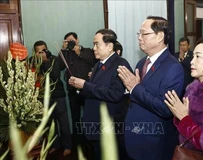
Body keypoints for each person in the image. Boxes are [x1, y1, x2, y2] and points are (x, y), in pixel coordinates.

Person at [117, 16, 184, 160]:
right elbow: (137, 97)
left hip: (154, 142)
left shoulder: (173, 67)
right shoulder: (141, 63)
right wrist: (129, 90)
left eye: (144, 34)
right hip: (134, 135)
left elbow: (165, 108)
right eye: (138, 34)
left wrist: (135, 88)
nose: (140, 38)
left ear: (160, 36)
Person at [68, 29, 132, 160]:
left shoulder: (120, 64)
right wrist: (79, 87)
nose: (93, 48)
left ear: (109, 46)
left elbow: (115, 94)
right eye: (93, 44)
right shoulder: (98, 64)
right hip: (96, 126)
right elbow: (94, 90)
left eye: (97, 44)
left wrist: (85, 85)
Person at [33, 40, 72, 155]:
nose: (42, 53)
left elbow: (55, 77)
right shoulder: (33, 61)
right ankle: (55, 145)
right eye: (39, 52)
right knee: (50, 123)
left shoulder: (54, 59)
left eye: (44, 50)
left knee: (63, 123)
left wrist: (46, 61)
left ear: (47, 49)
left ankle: (68, 146)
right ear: (35, 53)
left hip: (58, 96)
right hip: (43, 98)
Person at [59, 32, 97, 144]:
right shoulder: (65, 53)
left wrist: (78, 51)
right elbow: (59, 66)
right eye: (68, 41)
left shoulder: (88, 51)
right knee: (75, 117)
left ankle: (90, 139)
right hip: (72, 90)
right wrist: (63, 50)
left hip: (86, 89)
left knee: (89, 115)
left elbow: (93, 61)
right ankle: (77, 141)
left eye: (72, 41)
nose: (71, 43)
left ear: (77, 40)